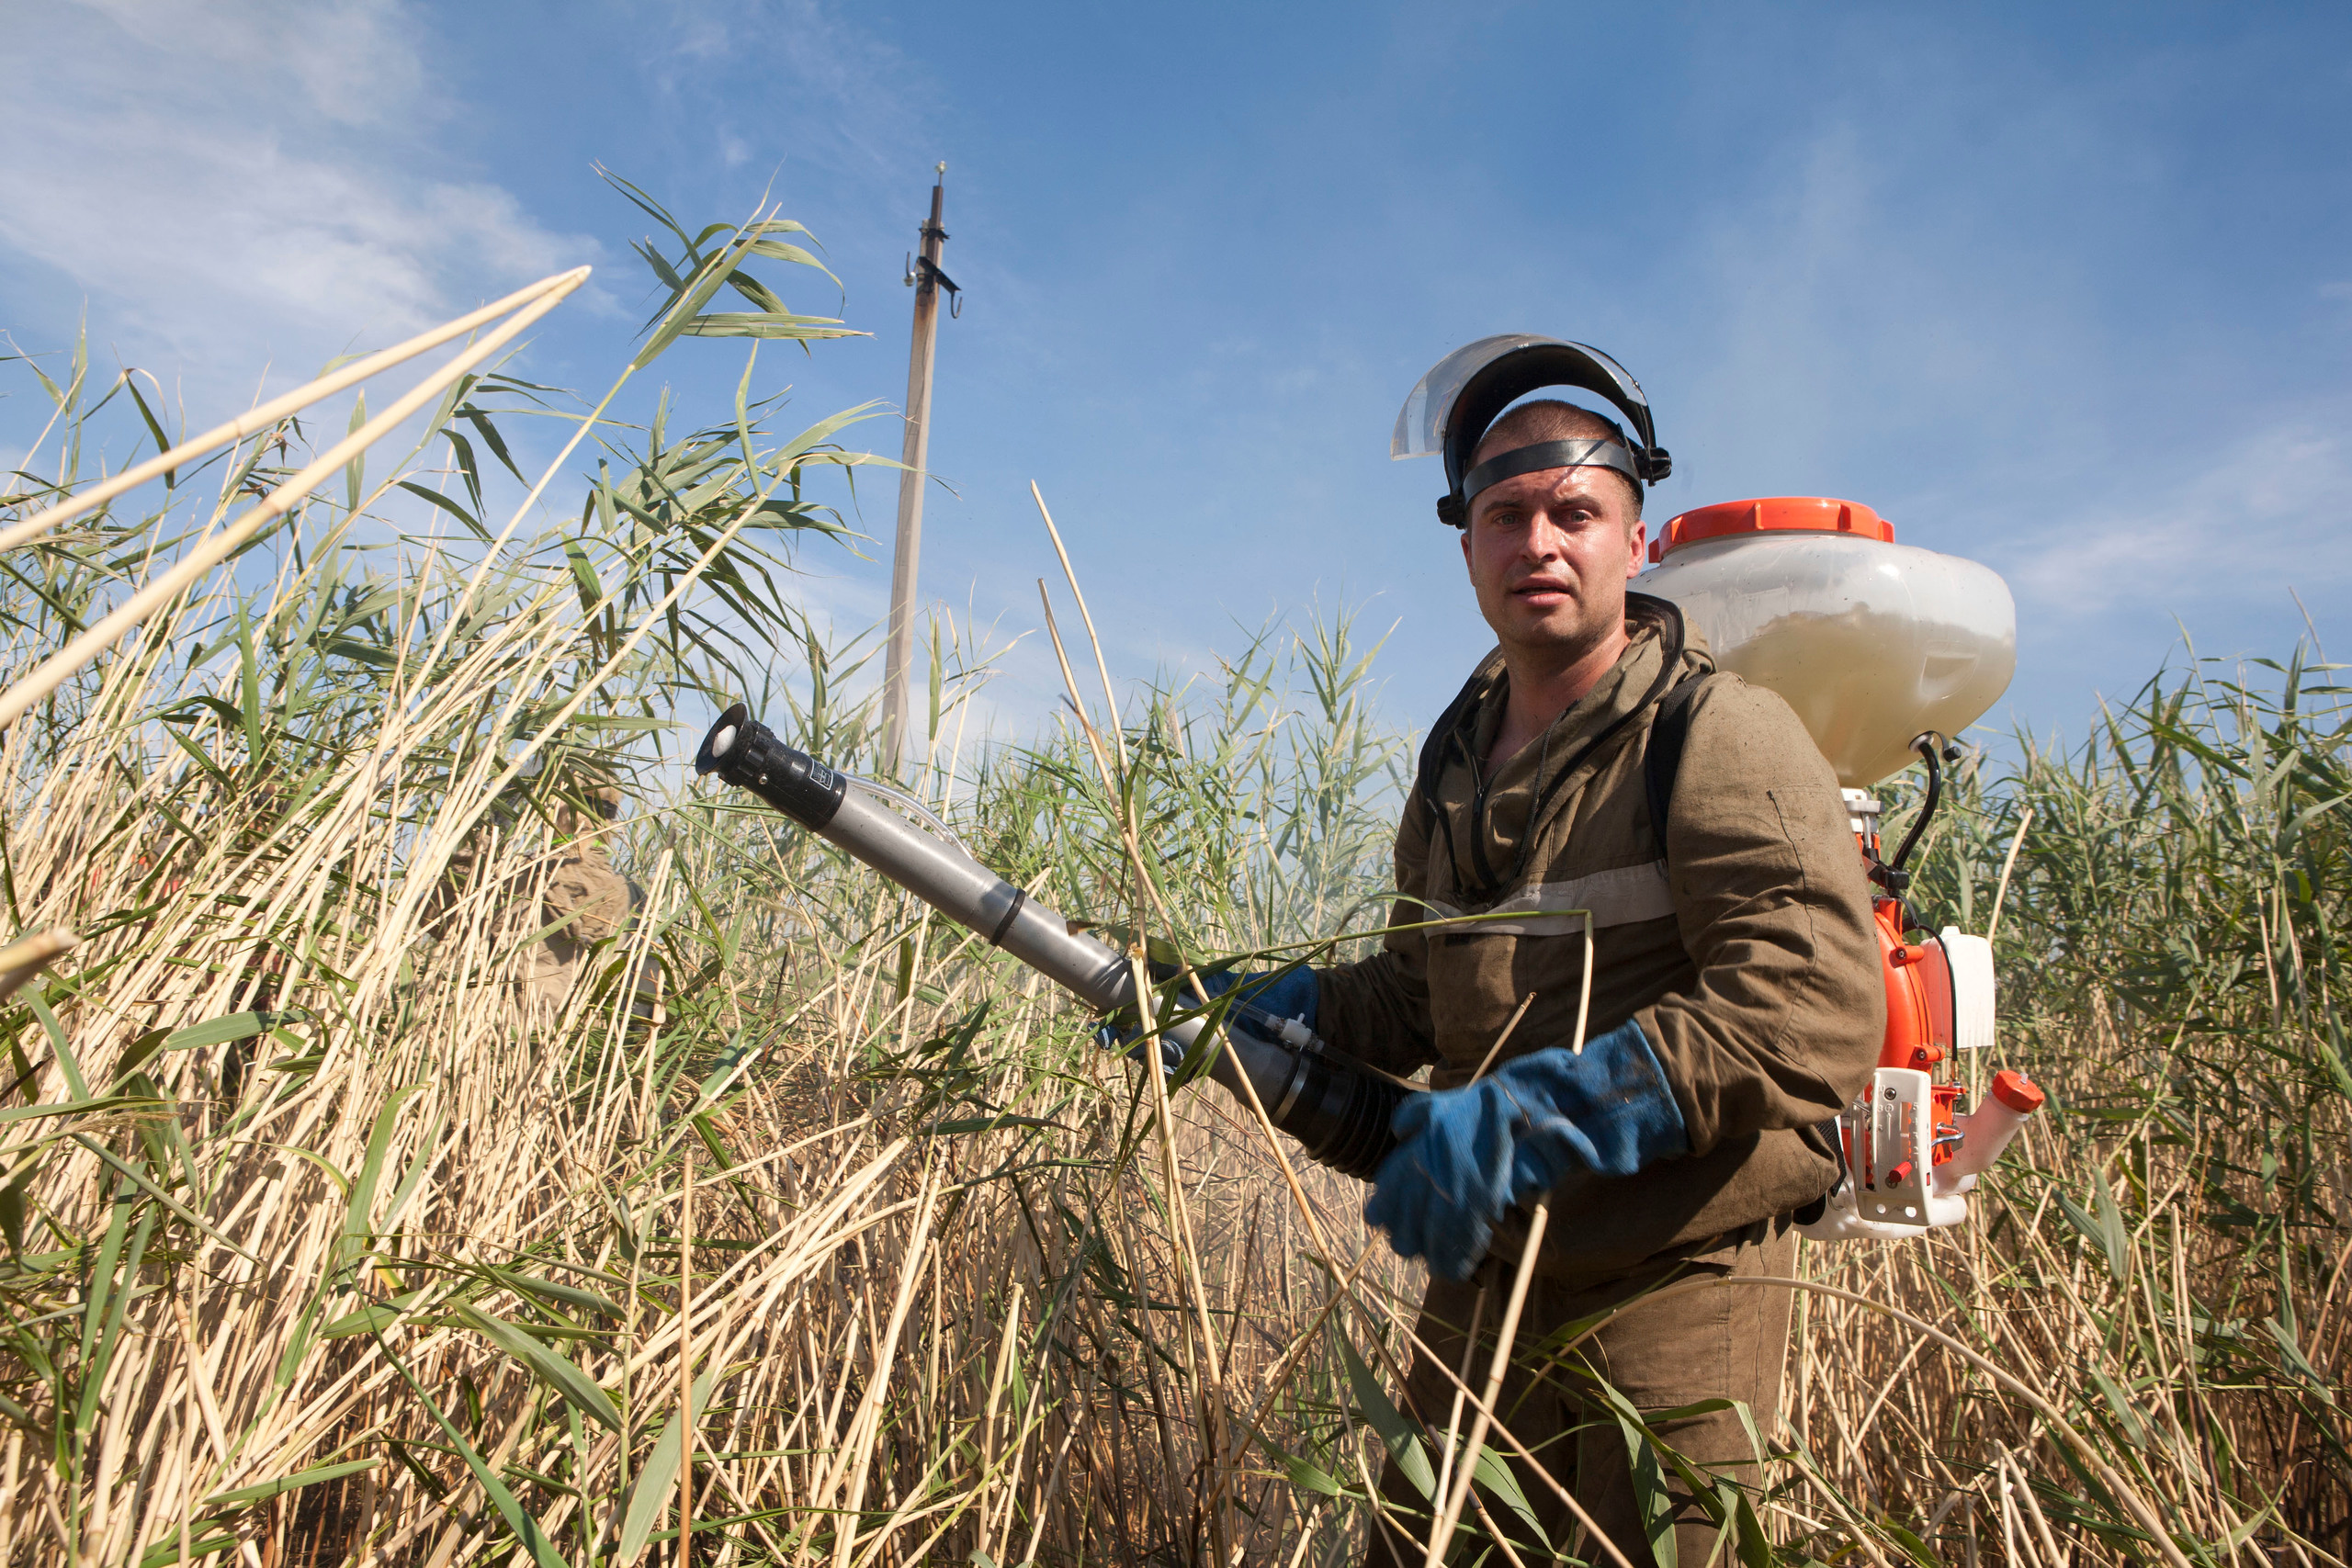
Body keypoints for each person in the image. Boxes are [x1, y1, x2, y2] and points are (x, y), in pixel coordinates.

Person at [1175, 338, 1884, 1565]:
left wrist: (1543, 1116)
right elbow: (1421, 994)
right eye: (1504, 516)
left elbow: (1813, 1006)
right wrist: (1269, 1009)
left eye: (1574, 512)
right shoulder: (1456, 761)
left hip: (1671, 1282)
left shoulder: (1714, 732)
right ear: (1466, 548)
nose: (1538, 543)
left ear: (1635, 540)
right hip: (1489, 1275)